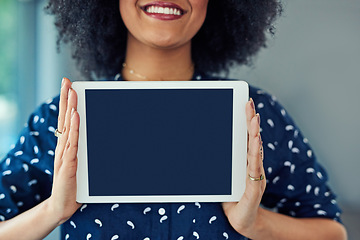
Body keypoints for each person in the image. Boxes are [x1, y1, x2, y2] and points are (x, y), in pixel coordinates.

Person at [0, 0, 347, 239]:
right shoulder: (64, 119)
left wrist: (254, 223)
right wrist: (53, 211)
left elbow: (331, 231)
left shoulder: (256, 115)